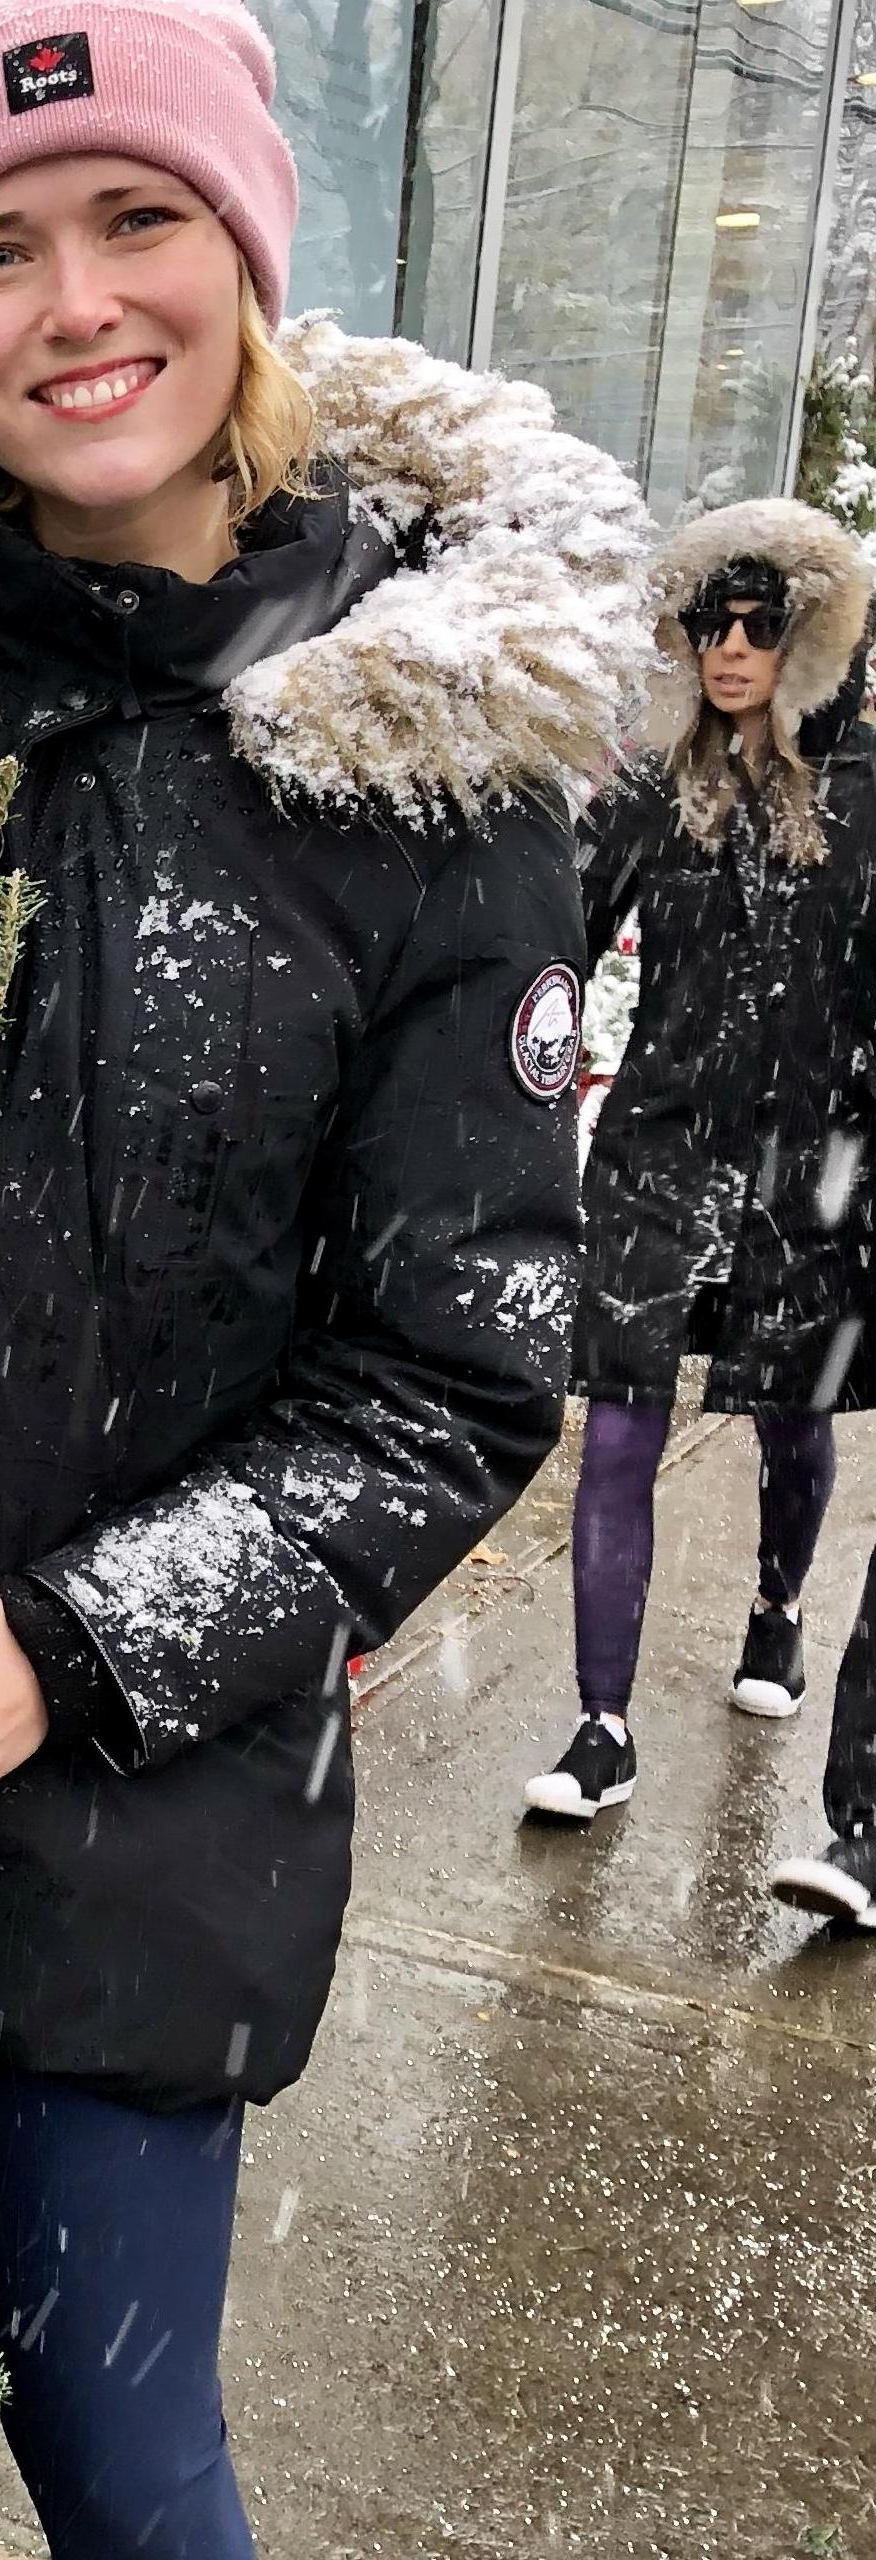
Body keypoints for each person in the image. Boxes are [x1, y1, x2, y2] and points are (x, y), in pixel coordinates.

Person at [0, 0, 641, 2556]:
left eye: (135, 216)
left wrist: (58, 1654)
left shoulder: (417, 748)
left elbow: (455, 1366)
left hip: (126, 1834)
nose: (74, 307)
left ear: (250, 259)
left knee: (125, 2480)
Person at [523, 499, 876, 1925]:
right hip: (661, 1154)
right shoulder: (655, 792)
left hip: (820, 1173)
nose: (728, 650)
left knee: (796, 1415)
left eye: (756, 624)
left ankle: (778, 1617)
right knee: (618, 1424)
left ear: (806, 638)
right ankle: (602, 1726)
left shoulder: (862, 794)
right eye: (706, 625)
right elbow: (548, 938)